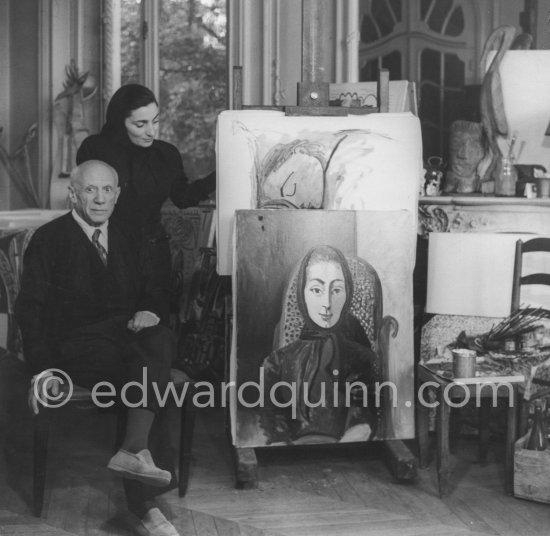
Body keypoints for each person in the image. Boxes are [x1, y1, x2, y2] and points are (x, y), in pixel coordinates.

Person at [15, 160, 181, 536]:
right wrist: (42, 370)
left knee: (160, 339)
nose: (100, 198)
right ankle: (146, 506)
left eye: (108, 190)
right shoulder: (49, 239)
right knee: (150, 372)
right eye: (90, 190)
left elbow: (156, 291)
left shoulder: (129, 235)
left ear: (118, 194)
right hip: (75, 347)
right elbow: (30, 309)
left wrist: (149, 311)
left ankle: (134, 454)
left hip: (125, 337)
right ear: (73, 194)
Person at [76, 83, 216, 322]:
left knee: (151, 328)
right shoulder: (96, 148)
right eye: (140, 124)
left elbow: (183, 198)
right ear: (120, 123)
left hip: (152, 257)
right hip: (106, 252)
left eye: (155, 121)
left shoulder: (166, 154)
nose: (151, 131)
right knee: (108, 326)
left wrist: (219, 175)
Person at [260, 245, 382, 445]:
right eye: (316, 290)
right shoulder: (276, 362)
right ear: (302, 293)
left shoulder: (359, 358)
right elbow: (271, 423)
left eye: (336, 290)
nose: (327, 303)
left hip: (348, 454)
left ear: (347, 293)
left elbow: (364, 419)